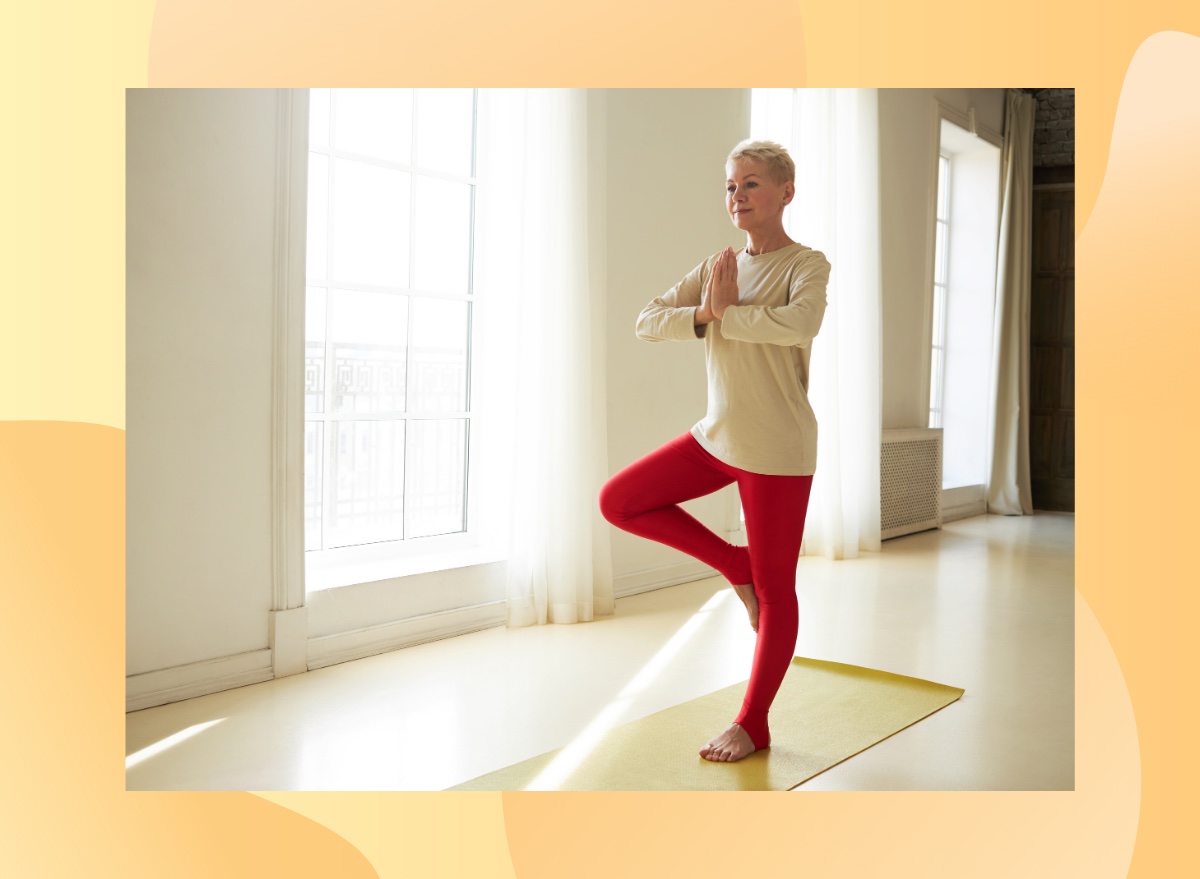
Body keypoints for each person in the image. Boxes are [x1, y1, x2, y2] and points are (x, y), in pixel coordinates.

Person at [598, 139, 829, 763]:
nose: (738, 196)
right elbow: (648, 319)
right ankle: (734, 564)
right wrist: (706, 310)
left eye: (751, 184)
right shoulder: (716, 266)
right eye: (730, 186)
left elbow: (800, 325)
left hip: (778, 448)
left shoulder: (807, 265)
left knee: (778, 589)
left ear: (785, 191)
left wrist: (726, 314)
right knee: (619, 501)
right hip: (718, 435)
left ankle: (754, 723)